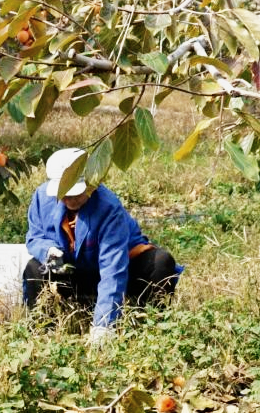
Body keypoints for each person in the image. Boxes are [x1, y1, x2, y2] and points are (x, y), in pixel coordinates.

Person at [22, 147, 180, 344]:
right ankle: (41, 332)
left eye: (76, 192)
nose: (71, 199)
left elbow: (113, 268)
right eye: (65, 193)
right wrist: (49, 250)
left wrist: (103, 326)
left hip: (121, 269)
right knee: (34, 268)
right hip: (74, 271)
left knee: (161, 262)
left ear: (91, 183)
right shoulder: (42, 198)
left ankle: (149, 324)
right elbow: (35, 236)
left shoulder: (108, 208)